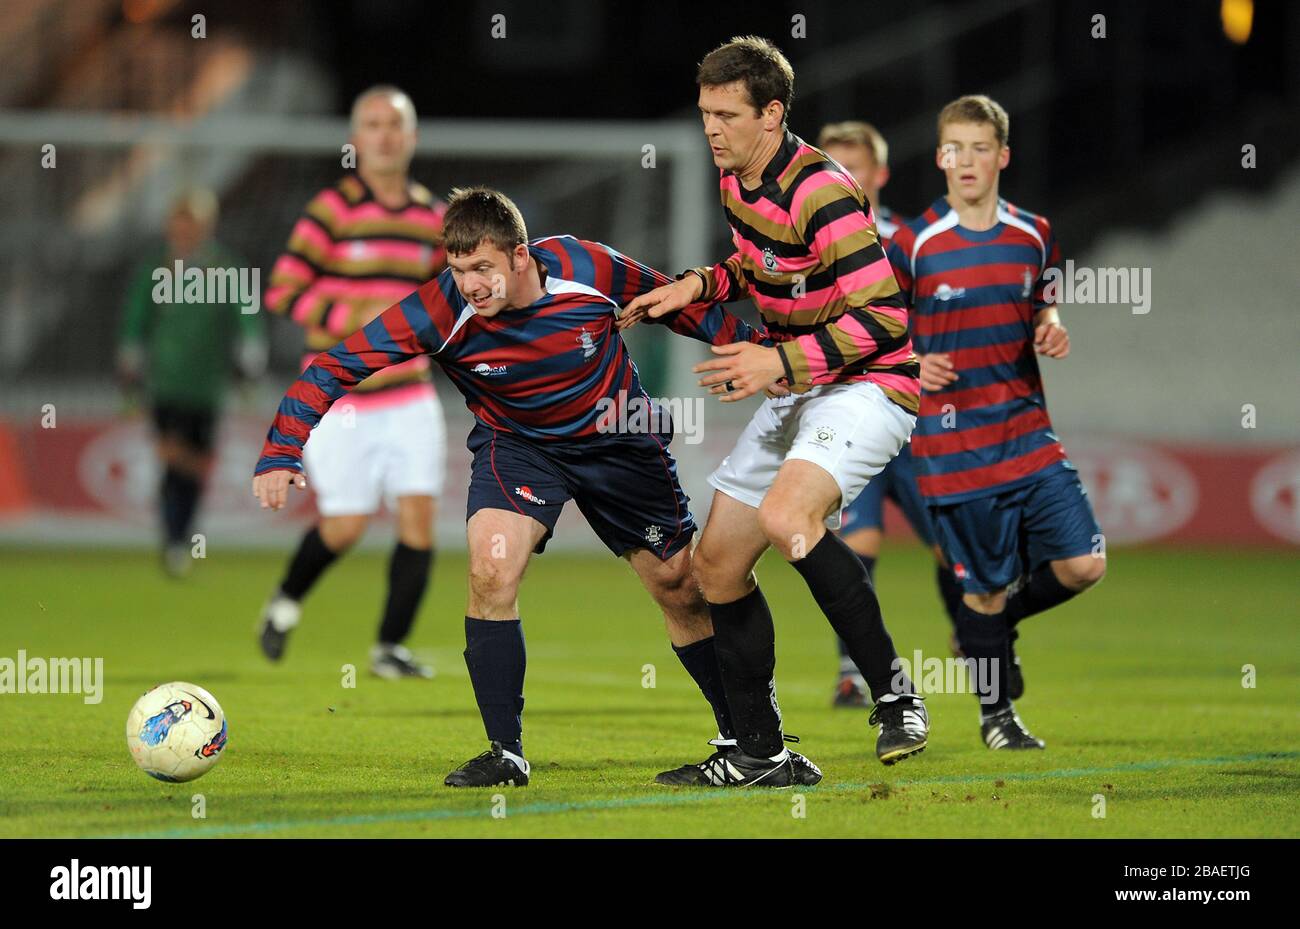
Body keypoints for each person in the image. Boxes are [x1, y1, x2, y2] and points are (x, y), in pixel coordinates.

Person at [252, 186, 822, 788]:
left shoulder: (587, 266)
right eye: (456, 269)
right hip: (518, 448)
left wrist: (766, 354)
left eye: (481, 268)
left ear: (520, 257)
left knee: (679, 585)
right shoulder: (437, 312)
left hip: (618, 439)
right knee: (490, 572)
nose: (469, 285)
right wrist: (281, 450)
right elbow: (336, 364)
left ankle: (748, 743)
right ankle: (506, 752)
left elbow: (675, 304)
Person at [620, 36, 929, 784]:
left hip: (870, 382)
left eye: (727, 114)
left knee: (790, 517)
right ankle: (764, 753)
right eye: (704, 113)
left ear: (773, 113)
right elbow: (760, 266)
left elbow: (885, 316)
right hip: (801, 381)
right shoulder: (738, 181)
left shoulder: (819, 188)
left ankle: (894, 694)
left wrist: (775, 361)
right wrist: (698, 286)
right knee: (715, 568)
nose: (711, 130)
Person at [887, 95, 1106, 749]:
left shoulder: (1034, 233)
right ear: (939, 156)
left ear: (1002, 155)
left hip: (1027, 431)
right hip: (952, 447)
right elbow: (875, 334)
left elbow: (1044, 303)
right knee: (978, 590)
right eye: (955, 148)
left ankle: (994, 623)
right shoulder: (912, 242)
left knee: (1083, 564)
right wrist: (912, 361)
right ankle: (997, 717)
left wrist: (1052, 325)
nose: (967, 161)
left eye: (981, 148)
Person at [258, 86, 448, 679]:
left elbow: (449, 301)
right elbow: (282, 290)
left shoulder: (432, 218)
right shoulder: (331, 210)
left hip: (411, 393)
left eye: (395, 124)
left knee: (418, 519)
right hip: (338, 400)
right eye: (372, 124)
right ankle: (285, 602)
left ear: (411, 138)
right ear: (354, 140)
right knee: (345, 525)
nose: (384, 135)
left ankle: (389, 649)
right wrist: (356, 317)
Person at [817, 121, 964, 708]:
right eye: (833, 166)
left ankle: (977, 644)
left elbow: (942, 314)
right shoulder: (813, 242)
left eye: (855, 167)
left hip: (916, 418)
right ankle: (853, 672)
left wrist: (925, 357)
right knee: (857, 543)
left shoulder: (909, 240)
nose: (843, 178)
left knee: (951, 539)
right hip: (850, 413)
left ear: (880, 174)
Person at [117, 188, 266, 577]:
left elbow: (247, 319)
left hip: (206, 384)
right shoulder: (155, 268)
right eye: (179, 222)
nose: (184, 230)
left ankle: (182, 536)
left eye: (192, 223)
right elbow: (136, 319)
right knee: (171, 458)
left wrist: (251, 357)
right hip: (164, 382)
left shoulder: (229, 268)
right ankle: (173, 539)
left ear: (206, 226)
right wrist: (130, 362)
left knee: (196, 466)